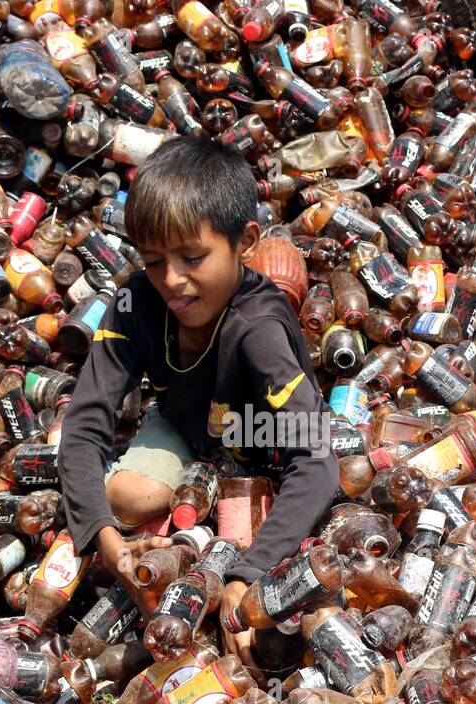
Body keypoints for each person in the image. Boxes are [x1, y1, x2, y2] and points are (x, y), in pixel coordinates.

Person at [58, 137, 339, 668]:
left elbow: (318, 460)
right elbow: (87, 419)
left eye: (193, 257)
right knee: (125, 498)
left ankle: (207, 539)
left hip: (261, 446)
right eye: (154, 260)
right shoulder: (135, 301)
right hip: (187, 427)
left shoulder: (258, 328)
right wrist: (105, 539)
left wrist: (250, 574)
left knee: (281, 607)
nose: (172, 280)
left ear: (246, 242)